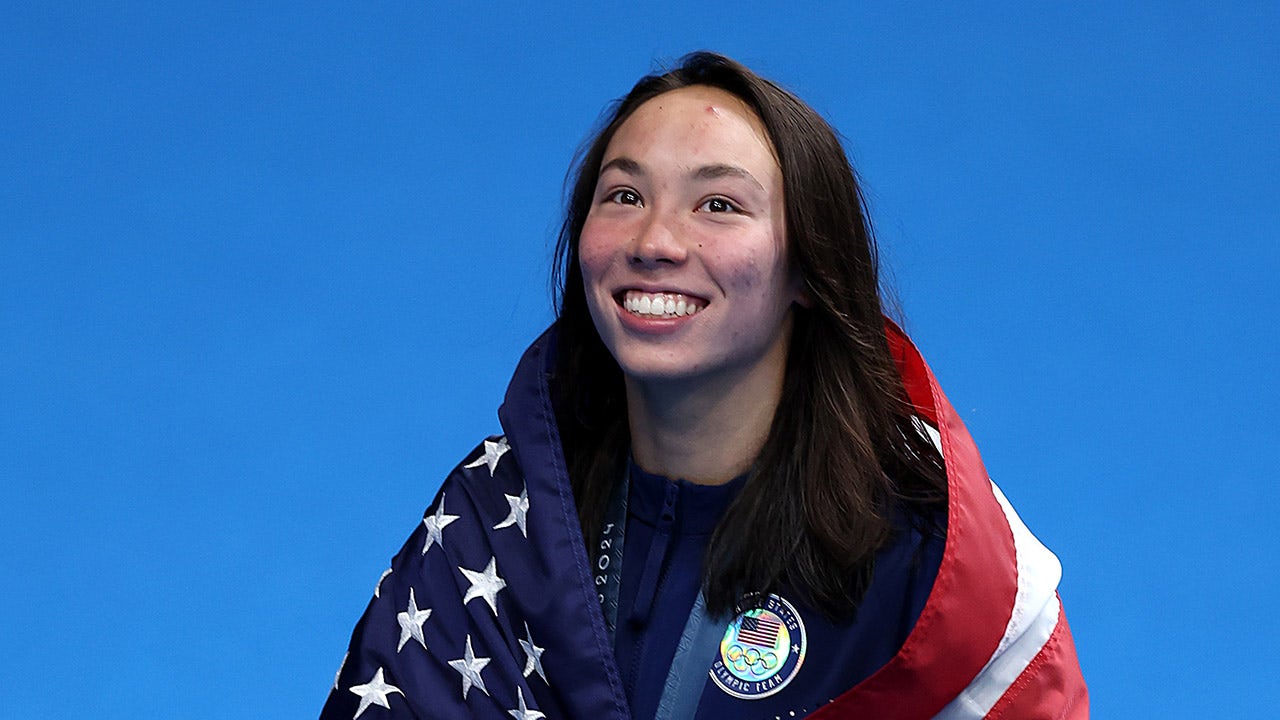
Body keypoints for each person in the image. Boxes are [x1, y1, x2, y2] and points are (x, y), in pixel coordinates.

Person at [319, 52, 1088, 720]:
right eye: (623, 195)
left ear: (810, 271)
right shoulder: (493, 520)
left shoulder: (928, 557)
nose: (655, 241)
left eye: (718, 205)